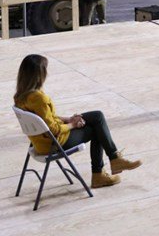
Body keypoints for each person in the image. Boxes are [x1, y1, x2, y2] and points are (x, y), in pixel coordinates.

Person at [14, 54, 141, 188]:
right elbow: (53, 129)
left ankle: (113, 161)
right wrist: (73, 124)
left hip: (40, 143)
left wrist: (68, 119)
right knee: (97, 129)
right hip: (54, 143)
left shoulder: (20, 96)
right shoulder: (39, 98)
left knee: (97, 116)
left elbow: (45, 119)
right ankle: (102, 171)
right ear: (40, 74)